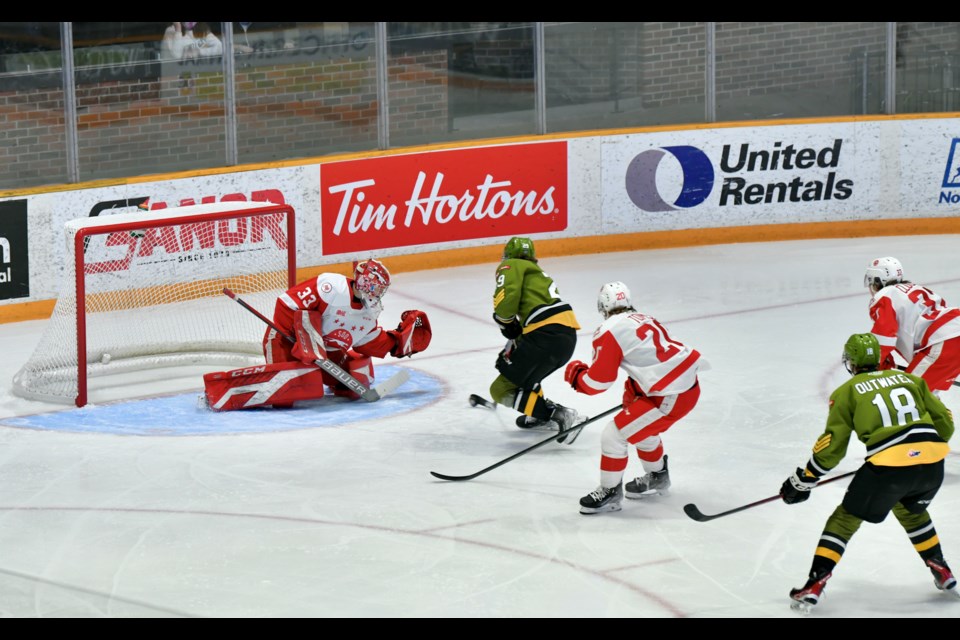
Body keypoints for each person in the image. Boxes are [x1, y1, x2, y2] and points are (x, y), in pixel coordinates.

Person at [780, 332, 957, 614]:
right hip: (933, 464)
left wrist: (803, 480)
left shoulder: (846, 392)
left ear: (851, 362)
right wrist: (918, 450)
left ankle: (815, 584)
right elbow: (946, 425)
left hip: (890, 467)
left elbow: (832, 449)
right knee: (910, 510)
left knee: (844, 519)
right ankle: (941, 568)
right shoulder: (911, 380)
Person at [203, 259, 431, 410]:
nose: (375, 295)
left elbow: (370, 342)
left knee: (353, 382)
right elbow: (286, 304)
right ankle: (224, 390)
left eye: (379, 291)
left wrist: (397, 344)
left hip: (324, 354)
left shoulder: (367, 316)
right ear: (362, 282)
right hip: (284, 340)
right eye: (373, 288)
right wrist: (305, 340)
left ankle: (314, 370)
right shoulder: (330, 286)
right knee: (285, 398)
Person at [564, 281, 704, 514]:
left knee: (614, 435)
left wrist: (578, 377)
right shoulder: (644, 318)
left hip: (669, 394)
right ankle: (657, 476)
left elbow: (598, 382)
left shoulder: (608, 329)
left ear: (603, 305)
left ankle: (609, 492)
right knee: (640, 429)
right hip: (683, 387)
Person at [487, 236, 584, 443]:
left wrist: (505, 320)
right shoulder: (537, 274)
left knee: (499, 389)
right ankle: (538, 414)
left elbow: (507, 298)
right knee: (524, 377)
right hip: (565, 337)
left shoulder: (511, 264)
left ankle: (558, 414)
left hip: (545, 335)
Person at [864, 256, 960, 394]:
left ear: (877, 280)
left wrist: (875, 363)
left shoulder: (884, 295)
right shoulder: (915, 288)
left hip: (943, 342)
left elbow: (884, 335)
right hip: (951, 335)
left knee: (907, 395)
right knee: (927, 395)